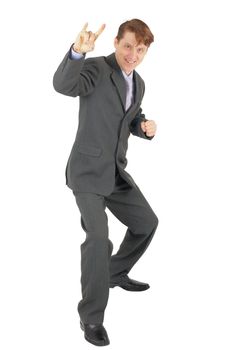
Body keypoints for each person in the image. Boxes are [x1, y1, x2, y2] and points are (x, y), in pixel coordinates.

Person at [53, 19, 159, 347]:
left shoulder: (138, 82)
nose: (133, 55)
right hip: (86, 172)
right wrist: (76, 54)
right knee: (98, 239)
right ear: (116, 42)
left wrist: (142, 126)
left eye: (140, 50)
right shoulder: (97, 69)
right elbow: (64, 86)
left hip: (114, 172)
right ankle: (91, 317)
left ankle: (114, 273)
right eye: (128, 46)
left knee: (147, 223)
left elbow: (130, 116)